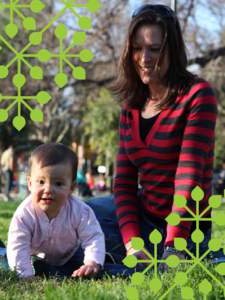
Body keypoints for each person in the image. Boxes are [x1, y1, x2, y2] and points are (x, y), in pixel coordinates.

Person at [87, 4, 217, 264]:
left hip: (185, 229)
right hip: (143, 215)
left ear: (172, 50)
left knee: (86, 244)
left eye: (154, 49)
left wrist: (174, 245)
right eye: (137, 48)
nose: (144, 58)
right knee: (74, 215)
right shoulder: (131, 105)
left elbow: (188, 177)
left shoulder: (198, 95)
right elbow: (123, 183)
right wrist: (132, 243)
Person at [7, 143, 105, 278]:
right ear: (30, 184)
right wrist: (25, 276)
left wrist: (92, 262)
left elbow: (93, 236)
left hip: (71, 254)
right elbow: (18, 245)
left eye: (58, 183)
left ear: (71, 187)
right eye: (41, 182)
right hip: (36, 257)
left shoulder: (80, 211)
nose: (48, 189)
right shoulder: (24, 214)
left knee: (95, 269)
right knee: (31, 264)